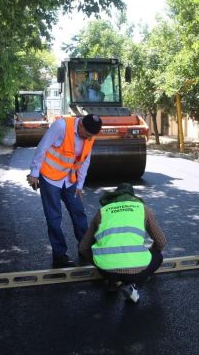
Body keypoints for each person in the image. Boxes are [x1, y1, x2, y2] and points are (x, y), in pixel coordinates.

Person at [27, 114, 103, 268]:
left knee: (79, 214)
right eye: (87, 135)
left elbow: (85, 160)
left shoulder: (89, 137)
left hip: (70, 180)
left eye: (91, 136)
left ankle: (85, 249)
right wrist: (34, 173)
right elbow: (43, 146)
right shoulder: (61, 126)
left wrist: (80, 184)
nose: (88, 139)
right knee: (54, 217)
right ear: (80, 124)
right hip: (50, 177)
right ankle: (59, 255)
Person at [79, 183, 167, 304]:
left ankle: (112, 282)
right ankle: (133, 285)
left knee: (109, 265)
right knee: (158, 256)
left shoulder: (102, 211)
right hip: (136, 273)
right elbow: (161, 242)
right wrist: (150, 252)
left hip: (106, 271)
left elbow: (83, 248)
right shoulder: (142, 209)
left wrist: (100, 261)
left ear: (114, 196)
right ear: (133, 196)